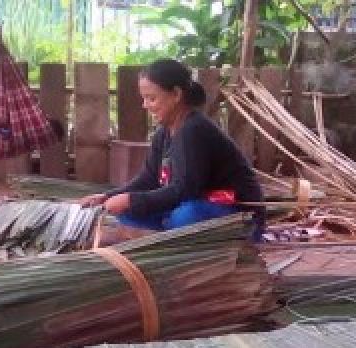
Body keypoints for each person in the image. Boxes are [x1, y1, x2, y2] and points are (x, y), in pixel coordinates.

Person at [80, 58, 263, 235]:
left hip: (238, 215)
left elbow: (185, 189)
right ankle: (169, 236)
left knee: (185, 215)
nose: (145, 105)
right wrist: (109, 196)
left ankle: (171, 234)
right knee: (127, 211)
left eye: (151, 98)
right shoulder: (164, 133)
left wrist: (132, 200)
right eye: (144, 99)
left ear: (176, 94)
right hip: (194, 205)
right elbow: (148, 179)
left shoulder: (194, 130)